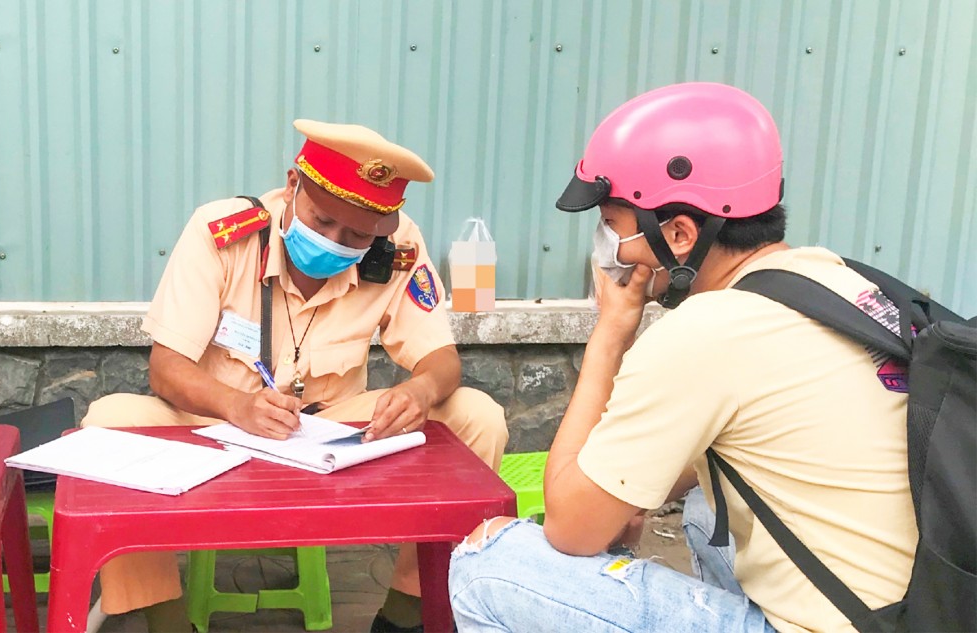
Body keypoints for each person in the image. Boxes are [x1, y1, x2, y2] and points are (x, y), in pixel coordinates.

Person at [448, 82, 915, 632]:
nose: (605, 244)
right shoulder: (842, 283)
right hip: (912, 611)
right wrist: (626, 497)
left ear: (678, 233)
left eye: (611, 224)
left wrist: (609, 335)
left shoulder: (706, 331)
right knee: (704, 509)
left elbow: (571, 529)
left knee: (491, 565)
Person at [82, 120, 508, 633]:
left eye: (356, 234)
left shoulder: (398, 251)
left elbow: (442, 359)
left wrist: (420, 388)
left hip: (332, 431)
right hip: (214, 425)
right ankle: (165, 619)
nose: (334, 241)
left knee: (477, 416)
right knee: (109, 420)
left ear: (383, 228)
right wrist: (238, 407)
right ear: (292, 184)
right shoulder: (222, 232)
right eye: (321, 220)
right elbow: (167, 369)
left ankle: (406, 612)